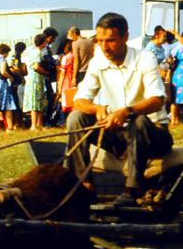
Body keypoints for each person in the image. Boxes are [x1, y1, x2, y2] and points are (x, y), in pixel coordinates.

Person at [66, 12, 173, 205]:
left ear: (125, 37)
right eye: (100, 41)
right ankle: (84, 185)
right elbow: (80, 100)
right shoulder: (97, 62)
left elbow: (158, 99)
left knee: (138, 120)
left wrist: (127, 111)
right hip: (119, 136)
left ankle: (132, 189)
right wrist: (96, 108)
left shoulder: (144, 58)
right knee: (76, 118)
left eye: (110, 40)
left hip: (154, 135)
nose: (104, 47)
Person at [22, 33, 50, 130]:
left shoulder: (32, 51)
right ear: (43, 43)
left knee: (39, 101)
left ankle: (39, 124)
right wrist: (45, 72)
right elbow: (36, 67)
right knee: (35, 101)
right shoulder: (38, 52)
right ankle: (34, 125)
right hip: (36, 79)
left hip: (34, 79)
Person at [40, 27, 60, 126]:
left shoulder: (45, 47)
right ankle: (47, 121)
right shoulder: (45, 47)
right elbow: (47, 59)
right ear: (50, 37)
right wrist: (57, 61)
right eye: (53, 38)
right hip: (47, 75)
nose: (54, 40)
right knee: (50, 98)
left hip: (46, 75)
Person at [57, 40, 76, 116]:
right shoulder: (76, 56)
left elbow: (62, 73)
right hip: (75, 80)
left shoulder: (66, 58)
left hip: (67, 81)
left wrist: (59, 86)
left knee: (67, 102)